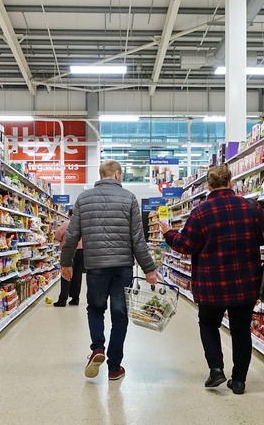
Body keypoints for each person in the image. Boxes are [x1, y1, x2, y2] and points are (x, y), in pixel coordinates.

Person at [159, 164, 264, 395]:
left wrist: (168, 233)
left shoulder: (200, 212)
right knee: (241, 330)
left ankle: (216, 369)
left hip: (212, 284)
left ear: (208, 186)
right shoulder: (251, 207)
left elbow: (186, 246)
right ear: (231, 182)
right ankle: (239, 381)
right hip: (245, 282)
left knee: (208, 324)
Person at [61, 160, 161, 381]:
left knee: (95, 309)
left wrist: (66, 262)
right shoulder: (129, 198)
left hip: (95, 266)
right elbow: (138, 240)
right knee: (120, 315)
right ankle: (114, 367)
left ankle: (98, 349)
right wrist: (149, 268)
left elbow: (71, 235)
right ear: (117, 174)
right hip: (122, 267)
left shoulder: (83, 199)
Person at [54, 208, 83, 307]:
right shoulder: (82, 223)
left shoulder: (67, 224)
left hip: (69, 251)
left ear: (69, 214)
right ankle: (75, 298)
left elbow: (57, 236)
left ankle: (62, 300)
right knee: (77, 275)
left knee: (66, 273)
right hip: (82, 251)